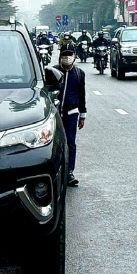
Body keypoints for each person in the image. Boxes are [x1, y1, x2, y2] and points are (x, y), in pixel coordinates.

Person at [52, 44, 87, 186]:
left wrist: (83, 115)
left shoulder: (79, 73)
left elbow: (82, 94)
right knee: (54, 143)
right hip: (55, 112)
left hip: (71, 113)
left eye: (69, 54)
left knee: (70, 142)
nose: (67, 58)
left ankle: (69, 172)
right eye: (64, 54)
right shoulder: (53, 71)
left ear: (75, 56)